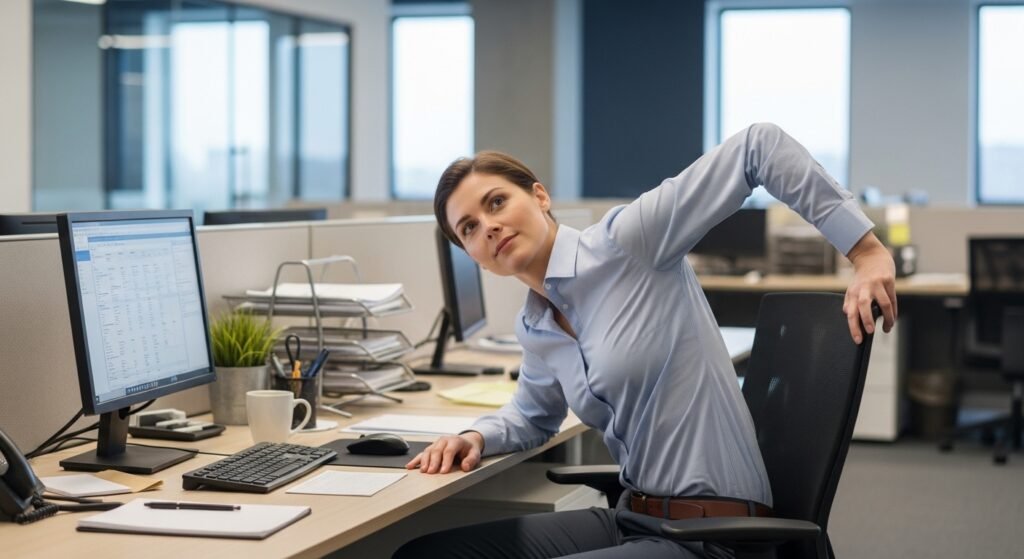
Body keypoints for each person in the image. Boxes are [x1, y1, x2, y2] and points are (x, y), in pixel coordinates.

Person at [395, 123, 897, 559]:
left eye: (497, 202)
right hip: (635, 517)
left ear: (540, 197)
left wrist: (866, 252)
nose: (489, 226)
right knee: (423, 554)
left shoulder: (627, 242)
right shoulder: (537, 325)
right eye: (469, 228)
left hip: (714, 535)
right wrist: (475, 438)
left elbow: (758, 147)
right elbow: (532, 416)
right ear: (472, 255)